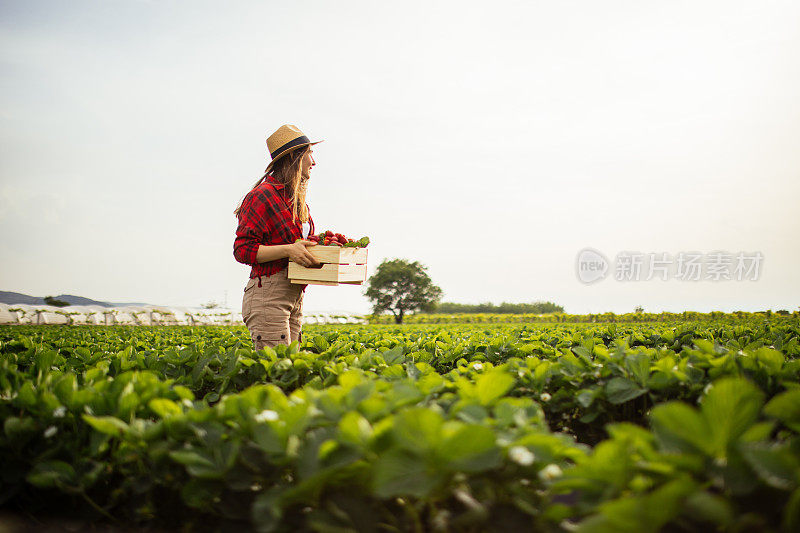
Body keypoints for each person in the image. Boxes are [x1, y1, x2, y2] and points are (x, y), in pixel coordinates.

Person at [233, 124, 322, 350]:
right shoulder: (262, 195)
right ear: (294, 156)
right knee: (277, 373)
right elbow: (242, 250)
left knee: (290, 370)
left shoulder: (296, 201)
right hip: (268, 296)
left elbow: (294, 244)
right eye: (310, 153)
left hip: (294, 295)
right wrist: (289, 249)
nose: (314, 161)